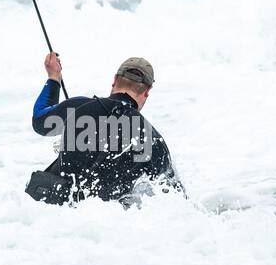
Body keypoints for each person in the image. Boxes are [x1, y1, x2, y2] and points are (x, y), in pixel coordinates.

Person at [25, 54, 181, 205]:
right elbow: (175, 198)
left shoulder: (77, 107)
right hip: (106, 224)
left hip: (55, 213)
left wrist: (54, 77)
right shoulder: (151, 139)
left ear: (114, 80)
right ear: (147, 91)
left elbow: (39, 121)